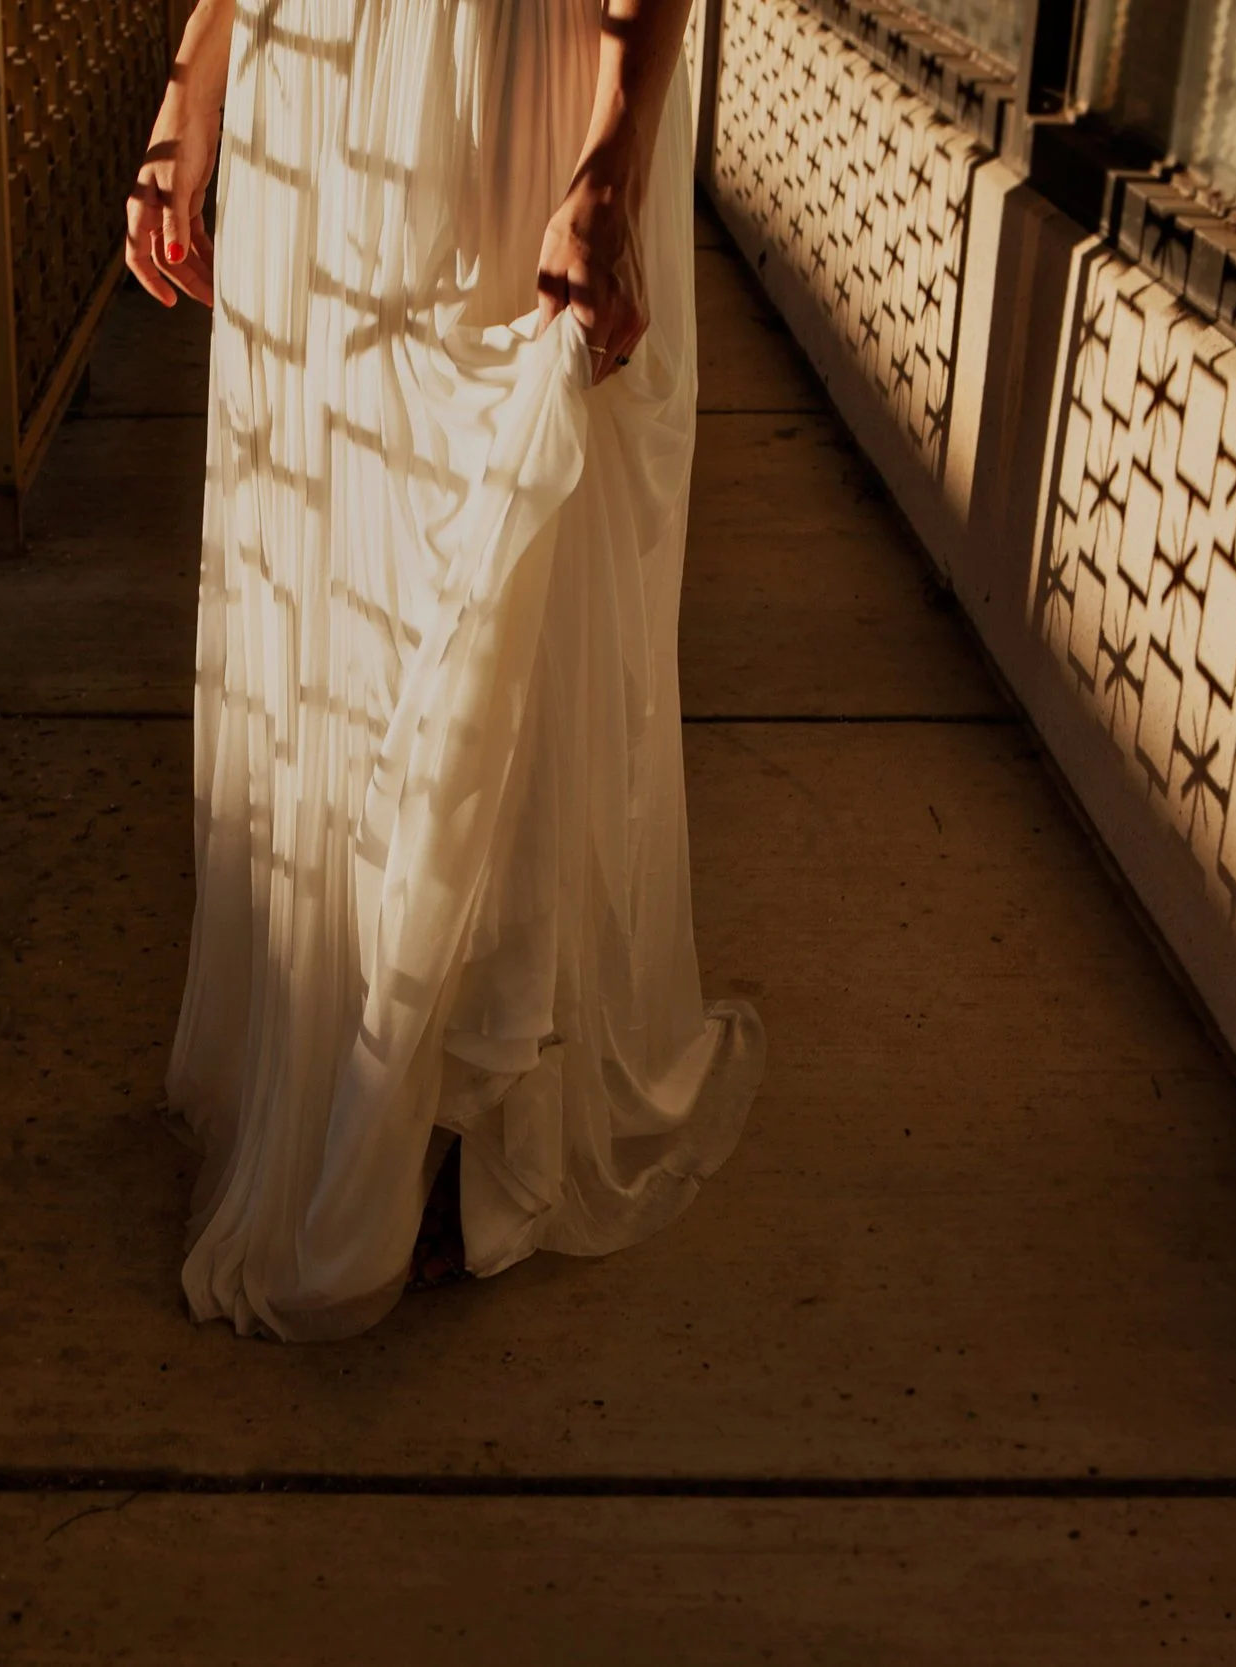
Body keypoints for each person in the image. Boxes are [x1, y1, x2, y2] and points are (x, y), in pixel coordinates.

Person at [129, 0, 764, 1341]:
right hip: (327, 92)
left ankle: (475, 1094)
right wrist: (196, 88)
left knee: (504, 567)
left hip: (516, 84)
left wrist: (613, 153)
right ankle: (360, 1051)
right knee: (340, 581)